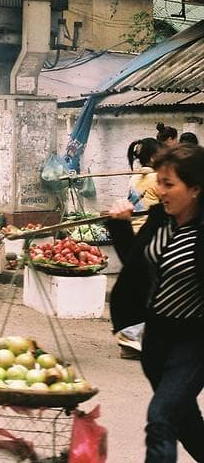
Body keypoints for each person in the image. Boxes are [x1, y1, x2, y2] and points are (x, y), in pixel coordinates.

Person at [106, 143, 204, 461]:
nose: (160, 190)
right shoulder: (160, 220)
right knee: (185, 423)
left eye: (169, 184)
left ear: (195, 188)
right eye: (159, 182)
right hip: (155, 341)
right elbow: (136, 271)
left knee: (160, 417)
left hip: (193, 343)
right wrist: (121, 225)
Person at [118, 137, 162, 359]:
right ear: (155, 157)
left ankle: (132, 340)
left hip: (135, 232)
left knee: (142, 286)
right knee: (149, 289)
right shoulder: (156, 179)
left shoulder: (136, 176)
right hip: (149, 236)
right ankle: (131, 336)